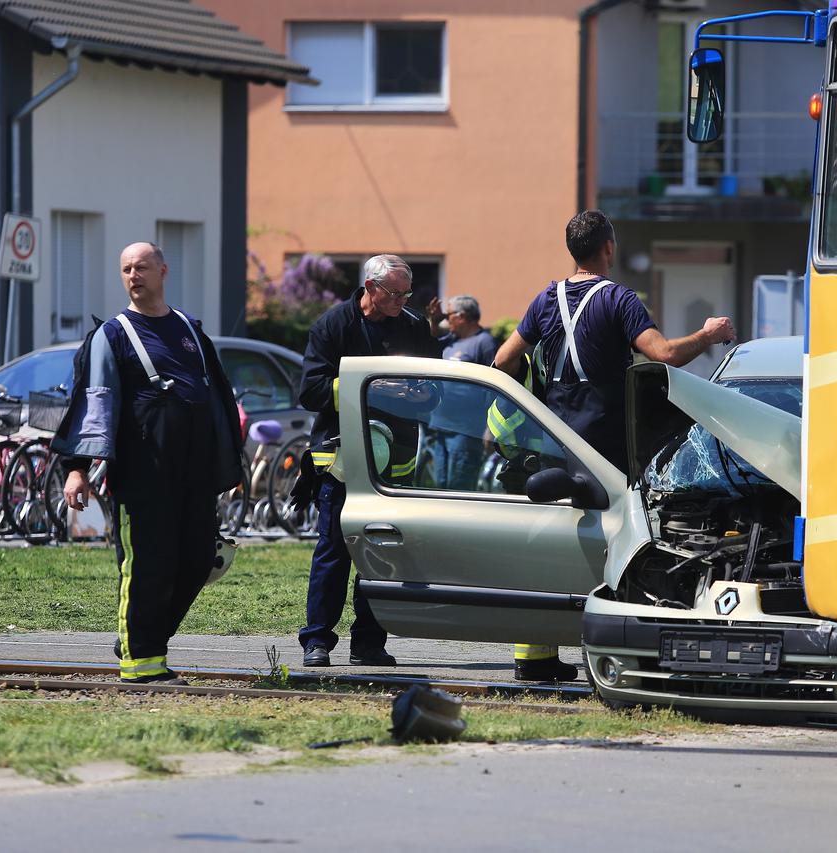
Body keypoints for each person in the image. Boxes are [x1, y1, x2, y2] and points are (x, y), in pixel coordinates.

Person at [493, 210, 735, 681]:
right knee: (615, 543)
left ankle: (533, 659)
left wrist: (534, 413)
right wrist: (709, 334)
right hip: (606, 447)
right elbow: (663, 354)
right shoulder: (619, 300)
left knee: (550, 538)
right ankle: (611, 653)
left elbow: (504, 359)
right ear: (608, 247)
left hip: (556, 444)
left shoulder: (546, 299)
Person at [54, 242, 243, 684]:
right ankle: (141, 663)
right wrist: (77, 469)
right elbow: (92, 404)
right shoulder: (112, 335)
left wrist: (226, 459)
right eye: (125, 269)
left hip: (194, 474)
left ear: (163, 270)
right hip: (144, 476)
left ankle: (141, 637)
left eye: (141, 267)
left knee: (199, 561)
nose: (133, 275)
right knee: (148, 566)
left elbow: (215, 396)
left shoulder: (189, 329)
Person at [299, 254, 440, 668]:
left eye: (405, 293)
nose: (400, 300)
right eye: (393, 293)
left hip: (393, 465)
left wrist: (418, 394)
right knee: (333, 552)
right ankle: (317, 641)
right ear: (370, 287)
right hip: (342, 463)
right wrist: (372, 389)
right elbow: (310, 391)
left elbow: (435, 388)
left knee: (379, 556)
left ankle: (369, 643)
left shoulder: (413, 327)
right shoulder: (333, 326)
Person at [423, 294, 497, 490]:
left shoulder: (484, 342)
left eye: (449, 316)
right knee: (440, 486)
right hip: (441, 427)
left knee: (459, 488)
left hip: (466, 430)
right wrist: (435, 321)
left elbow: (495, 386)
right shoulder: (450, 340)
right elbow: (429, 344)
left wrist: (490, 428)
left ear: (462, 316)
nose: (447, 321)